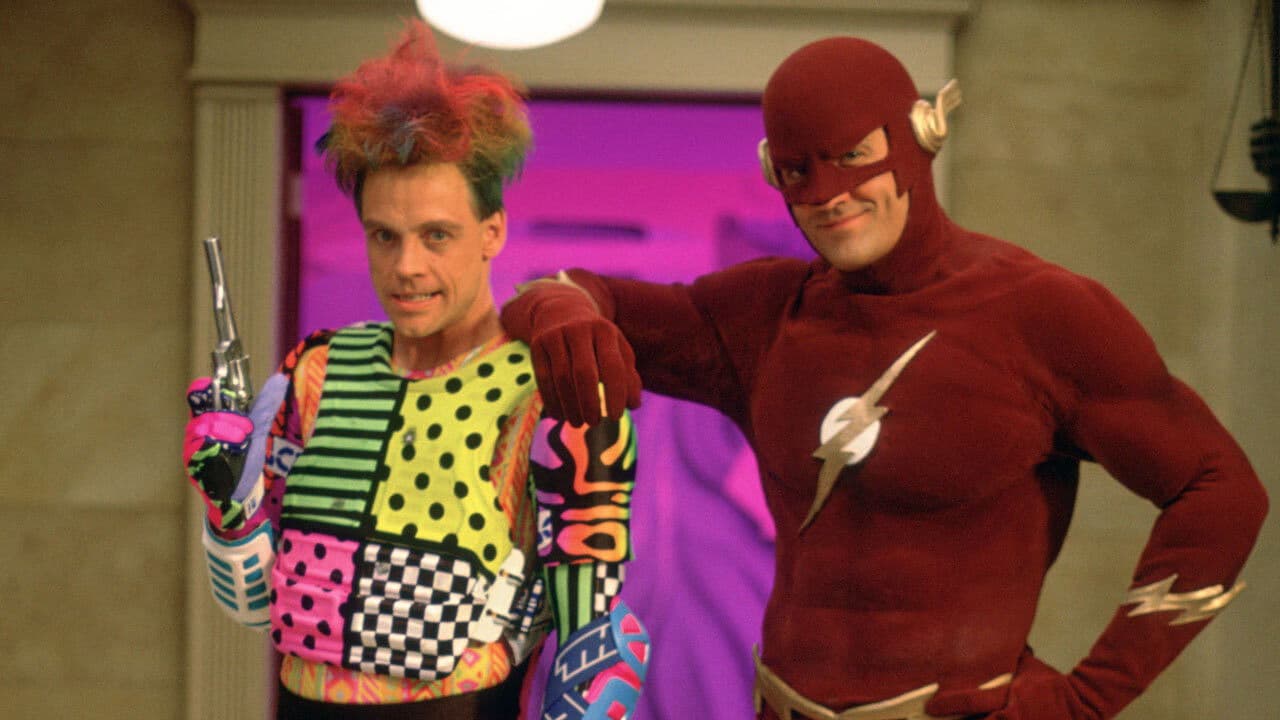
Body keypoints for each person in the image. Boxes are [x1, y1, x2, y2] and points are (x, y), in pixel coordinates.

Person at [501, 36, 1269, 719]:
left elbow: (1221, 490)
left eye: (852, 156)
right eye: (797, 170)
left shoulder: (1042, 314)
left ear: (922, 134)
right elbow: (560, 290)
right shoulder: (763, 315)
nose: (828, 194)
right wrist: (560, 313)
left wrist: (1088, 699)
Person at [183, 21, 649, 720]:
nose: (407, 267)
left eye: (436, 235)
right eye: (384, 235)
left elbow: (596, 645)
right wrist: (227, 506)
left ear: (492, 231)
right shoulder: (315, 370)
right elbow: (258, 606)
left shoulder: (549, 389)